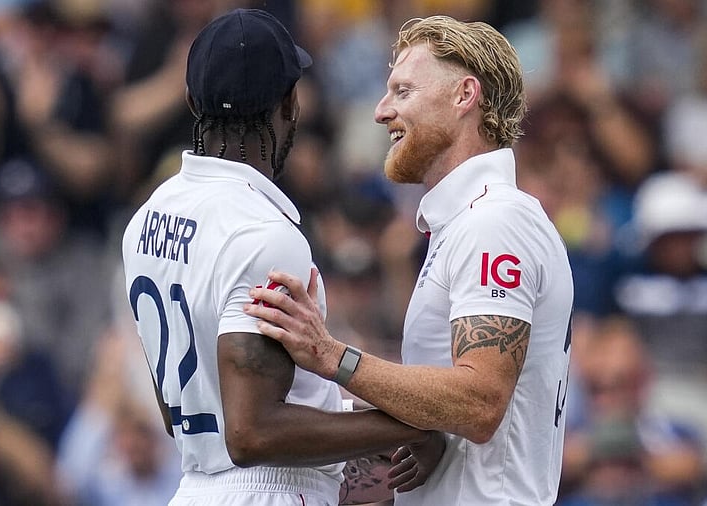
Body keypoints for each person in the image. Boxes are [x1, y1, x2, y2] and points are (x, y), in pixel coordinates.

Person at [246, 14, 575, 505]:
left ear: (465, 96)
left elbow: (479, 402)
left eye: (403, 91)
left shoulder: (495, 222)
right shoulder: (470, 222)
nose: (381, 112)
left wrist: (330, 355)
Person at [120, 8, 445, 506]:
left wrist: (350, 421)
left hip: (194, 488)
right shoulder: (264, 232)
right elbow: (252, 435)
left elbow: (182, 411)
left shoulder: (147, 217)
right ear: (291, 103)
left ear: (190, 101)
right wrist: (409, 428)